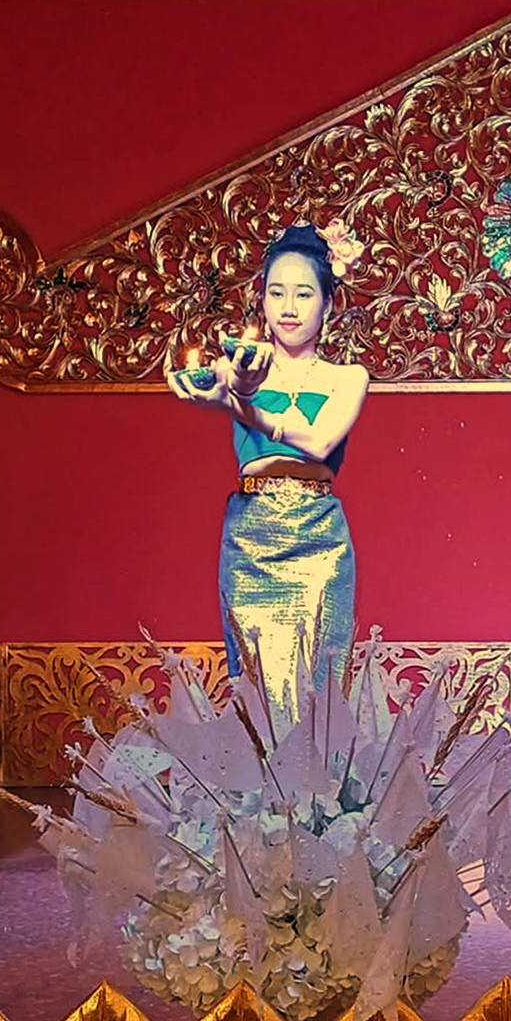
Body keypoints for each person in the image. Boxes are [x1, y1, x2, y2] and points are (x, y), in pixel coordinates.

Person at [167, 221, 369, 724]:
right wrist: (217, 391)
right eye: (276, 293)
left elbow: (319, 442)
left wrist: (244, 408)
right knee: (258, 685)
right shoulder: (236, 369)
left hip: (320, 537)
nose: (289, 307)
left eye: (304, 294)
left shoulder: (348, 378)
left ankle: (317, 776)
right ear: (262, 301)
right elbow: (212, 383)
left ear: (328, 304)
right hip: (251, 536)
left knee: (319, 687)